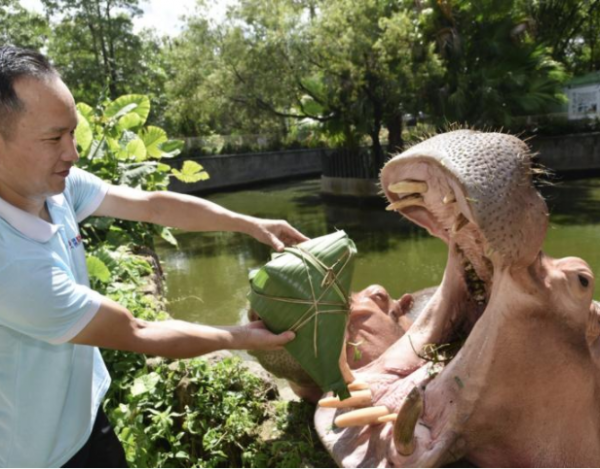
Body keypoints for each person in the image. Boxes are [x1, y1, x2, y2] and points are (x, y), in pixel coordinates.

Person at [0, 45, 307, 468]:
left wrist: (251, 223)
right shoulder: (9, 264)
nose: (72, 152)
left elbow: (153, 206)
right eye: (54, 138)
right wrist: (243, 337)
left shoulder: (53, 185)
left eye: (72, 132)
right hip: (36, 455)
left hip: (84, 415)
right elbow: (138, 331)